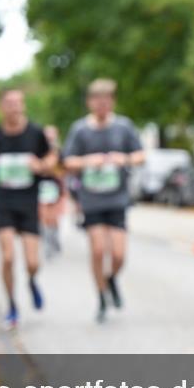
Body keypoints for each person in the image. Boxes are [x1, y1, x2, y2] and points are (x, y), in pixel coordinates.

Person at [62, 79, 145, 323]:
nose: (102, 105)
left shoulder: (124, 127)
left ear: (112, 102)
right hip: (92, 200)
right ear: (90, 103)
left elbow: (141, 155)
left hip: (117, 198)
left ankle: (109, 279)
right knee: (98, 251)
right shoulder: (80, 130)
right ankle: (100, 297)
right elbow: (67, 162)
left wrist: (125, 159)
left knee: (118, 255)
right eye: (97, 101)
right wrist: (89, 161)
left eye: (106, 101)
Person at [0, 90, 56, 328]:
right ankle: (12, 305)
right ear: (1, 107)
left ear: (23, 106)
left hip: (28, 201)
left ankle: (32, 280)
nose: (13, 107)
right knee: (8, 256)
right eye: (9, 103)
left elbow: (53, 157)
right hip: (3, 200)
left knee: (32, 261)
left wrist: (41, 165)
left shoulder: (36, 133)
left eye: (17, 103)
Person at [38, 125, 67, 258]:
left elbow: (63, 169)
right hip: (41, 186)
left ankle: (54, 237)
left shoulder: (60, 152)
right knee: (43, 215)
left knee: (54, 217)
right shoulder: (38, 150)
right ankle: (47, 242)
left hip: (55, 187)